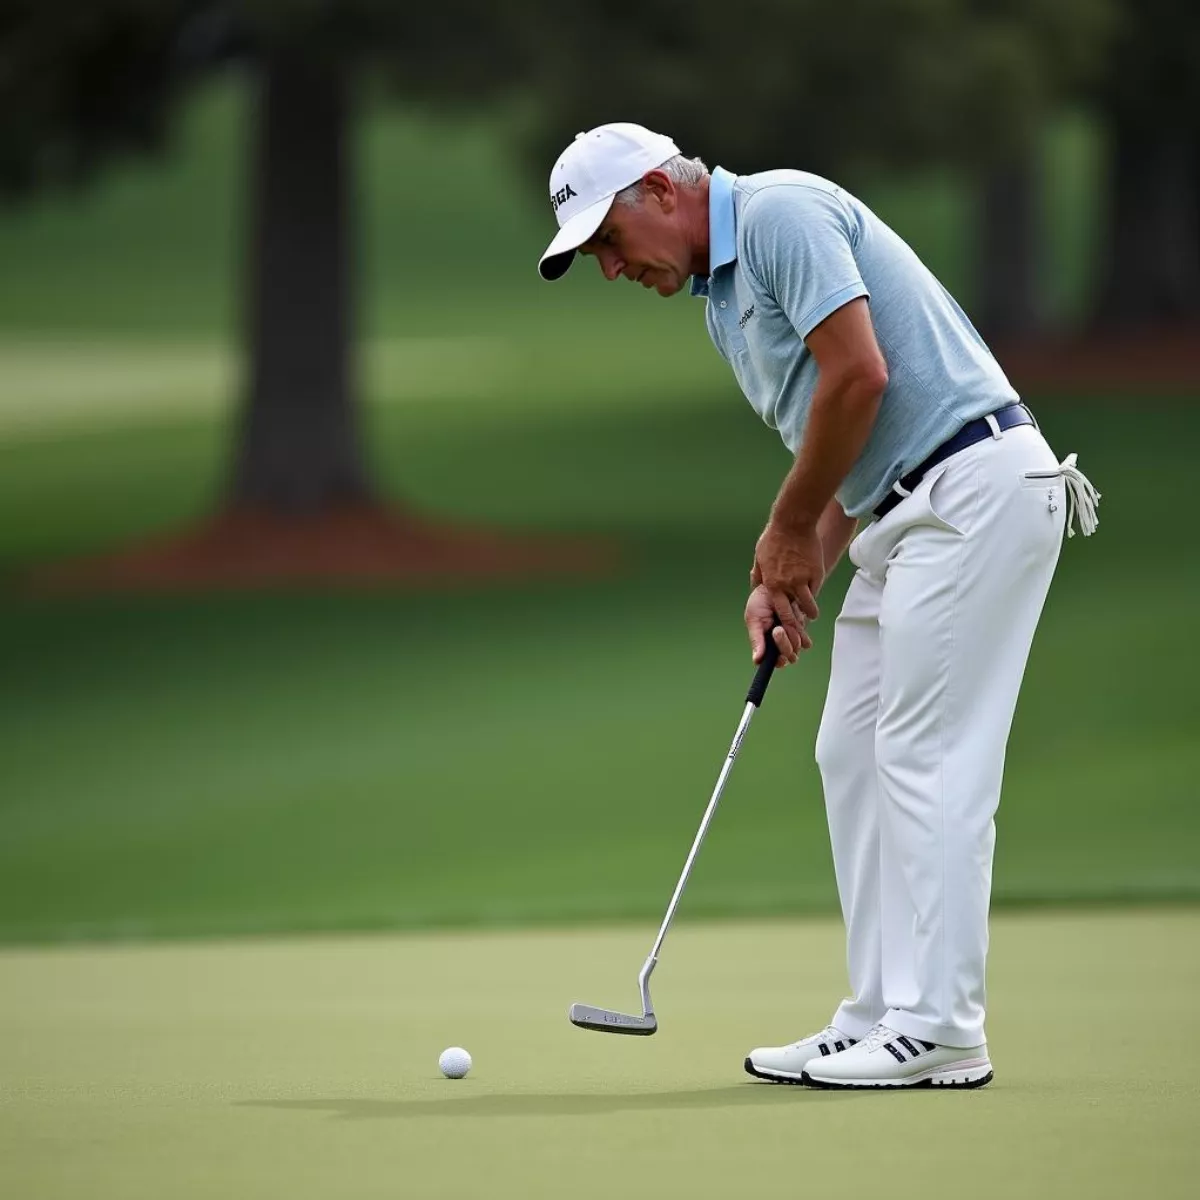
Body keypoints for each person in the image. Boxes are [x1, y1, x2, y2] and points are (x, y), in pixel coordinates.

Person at [537, 123, 1100, 1090]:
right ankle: (880, 1011)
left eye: (607, 241)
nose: (609, 268)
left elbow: (862, 375)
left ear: (661, 193)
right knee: (850, 747)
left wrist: (787, 526)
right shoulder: (721, 299)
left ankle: (945, 1028)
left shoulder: (779, 214)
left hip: (972, 490)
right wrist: (791, 577)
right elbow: (840, 445)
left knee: (928, 757)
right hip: (903, 513)